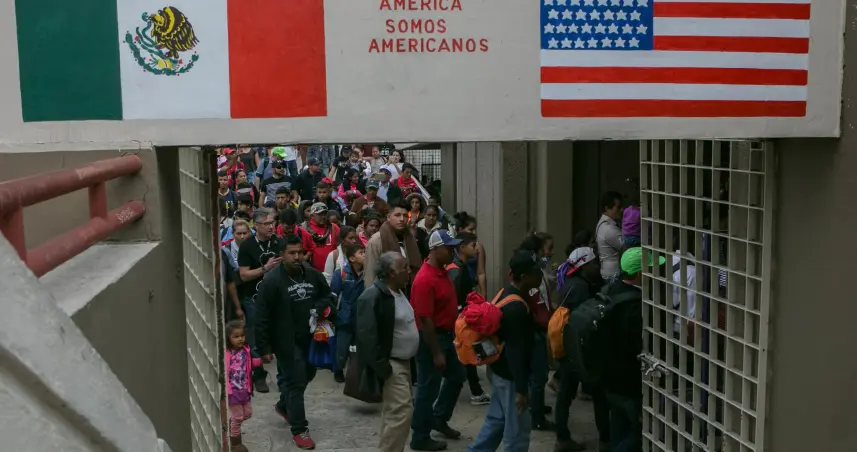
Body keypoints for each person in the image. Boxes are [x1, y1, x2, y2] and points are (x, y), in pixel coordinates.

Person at [256, 235, 337, 450]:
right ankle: (300, 429)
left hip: (311, 338)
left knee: (307, 374)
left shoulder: (312, 274)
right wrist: (264, 347)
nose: (297, 257)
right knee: (296, 381)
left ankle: (284, 405)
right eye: (292, 253)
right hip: (285, 341)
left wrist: (321, 308)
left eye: (300, 252)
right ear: (282, 255)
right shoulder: (271, 281)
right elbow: (261, 315)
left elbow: (327, 296)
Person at [468, 250, 544, 452]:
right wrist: (521, 390)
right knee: (517, 434)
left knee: (496, 421)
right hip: (510, 377)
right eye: (537, 272)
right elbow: (515, 351)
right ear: (525, 276)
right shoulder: (516, 307)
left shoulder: (506, 292)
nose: (541, 275)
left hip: (499, 370)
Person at [356, 251, 419, 452]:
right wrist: (383, 368)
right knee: (401, 412)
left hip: (405, 362)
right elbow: (366, 336)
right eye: (404, 268)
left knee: (394, 413)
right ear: (392, 272)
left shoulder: (399, 291)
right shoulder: (373, 296)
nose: (409, 271)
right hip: (392, 364)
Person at [410, 230, 466, 451]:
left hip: (447, 337)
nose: (453, 251)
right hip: (432, 340)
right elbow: (425, 320)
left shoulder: (442, 271)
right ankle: (420, 436)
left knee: (457, 376)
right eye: (449, 248)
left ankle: (439, 418)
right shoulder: (425, 279)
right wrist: (436, 353)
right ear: (435, 249)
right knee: (427, 389)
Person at [601, 247, 661, 452]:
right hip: (628, 379)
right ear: (640, 273)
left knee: (619, 428)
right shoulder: (634, 305)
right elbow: (637, 344)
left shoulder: (610, 291)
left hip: (609, 376)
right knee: (639, 434)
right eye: (651, 268)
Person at [553, 247, 609, 452]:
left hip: (569, 347)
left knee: (565, 395)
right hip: (578, 349)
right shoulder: (581, 288)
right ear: (584, 265)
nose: (597, 267)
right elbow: (584, 322)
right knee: (599, 396)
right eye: (594, 263)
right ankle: (605, 440)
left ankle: (562, 438)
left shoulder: (572, 283)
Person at [237, 208, 284, 393]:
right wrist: (265, 268)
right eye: (266, 224)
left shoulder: (279, 242)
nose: (271, 227)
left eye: (272, 223)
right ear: (256, 226)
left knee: (280, 335)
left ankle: (283, 377)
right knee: (255, 339)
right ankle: (258, 375)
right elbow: (244, 275)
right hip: (253, 298)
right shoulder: (247, 246)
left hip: (277, 298)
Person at [446, 232, 490, 405]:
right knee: (465, 353)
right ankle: (474, 391)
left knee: (466, 353)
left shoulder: (460, 267)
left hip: (462, 317)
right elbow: (454, 299)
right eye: (473, 245)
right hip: (460, 319)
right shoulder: (456, 271)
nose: (477, 248)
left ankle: (476, 390)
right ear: (462, 248)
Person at [364, 199, 422, 289]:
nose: (402, 219)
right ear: (388, 217)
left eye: (405, 216)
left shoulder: (410, 238)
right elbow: (370, 274)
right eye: (397, 215)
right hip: (385, 291)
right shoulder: (377, 241)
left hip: (408, 289)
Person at [330, 242, 366, 383]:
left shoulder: (368, 273)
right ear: (352, 258)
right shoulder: (341, 273)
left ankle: (356, 372)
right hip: (344, 317)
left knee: (359, 348)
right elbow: (333, 296)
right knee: (342, 348)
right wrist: (333, 316)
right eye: (361, 253)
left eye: (365, 252)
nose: (365, 255)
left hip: (361, 317)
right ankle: (338, 370)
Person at [225, 320, 262, 452]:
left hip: (245, 389)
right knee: (238, 417)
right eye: (236, 336)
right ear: (228, 338)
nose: (240, 339)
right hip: (233, 391)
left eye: (242, 335)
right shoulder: (227, 353)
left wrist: (259, 361)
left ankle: (233, 423)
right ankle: (235, 443)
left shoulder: (245, 350)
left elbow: (248, 364)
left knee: (247, 413)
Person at [452, 212, 486, 297]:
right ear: (461, 230)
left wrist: (483, 294)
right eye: (470, 229)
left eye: (475, 229)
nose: (473, 232)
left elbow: (481, 272)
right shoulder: (452, 246)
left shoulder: (478, 247)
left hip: (471, 285)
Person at [596, 191, 625, 282]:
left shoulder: (605, 224)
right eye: (618, 207)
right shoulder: (608, 229)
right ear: (607, 208)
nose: (622, 210)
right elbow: (628, 247)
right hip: (614, 277)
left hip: (611, 274)